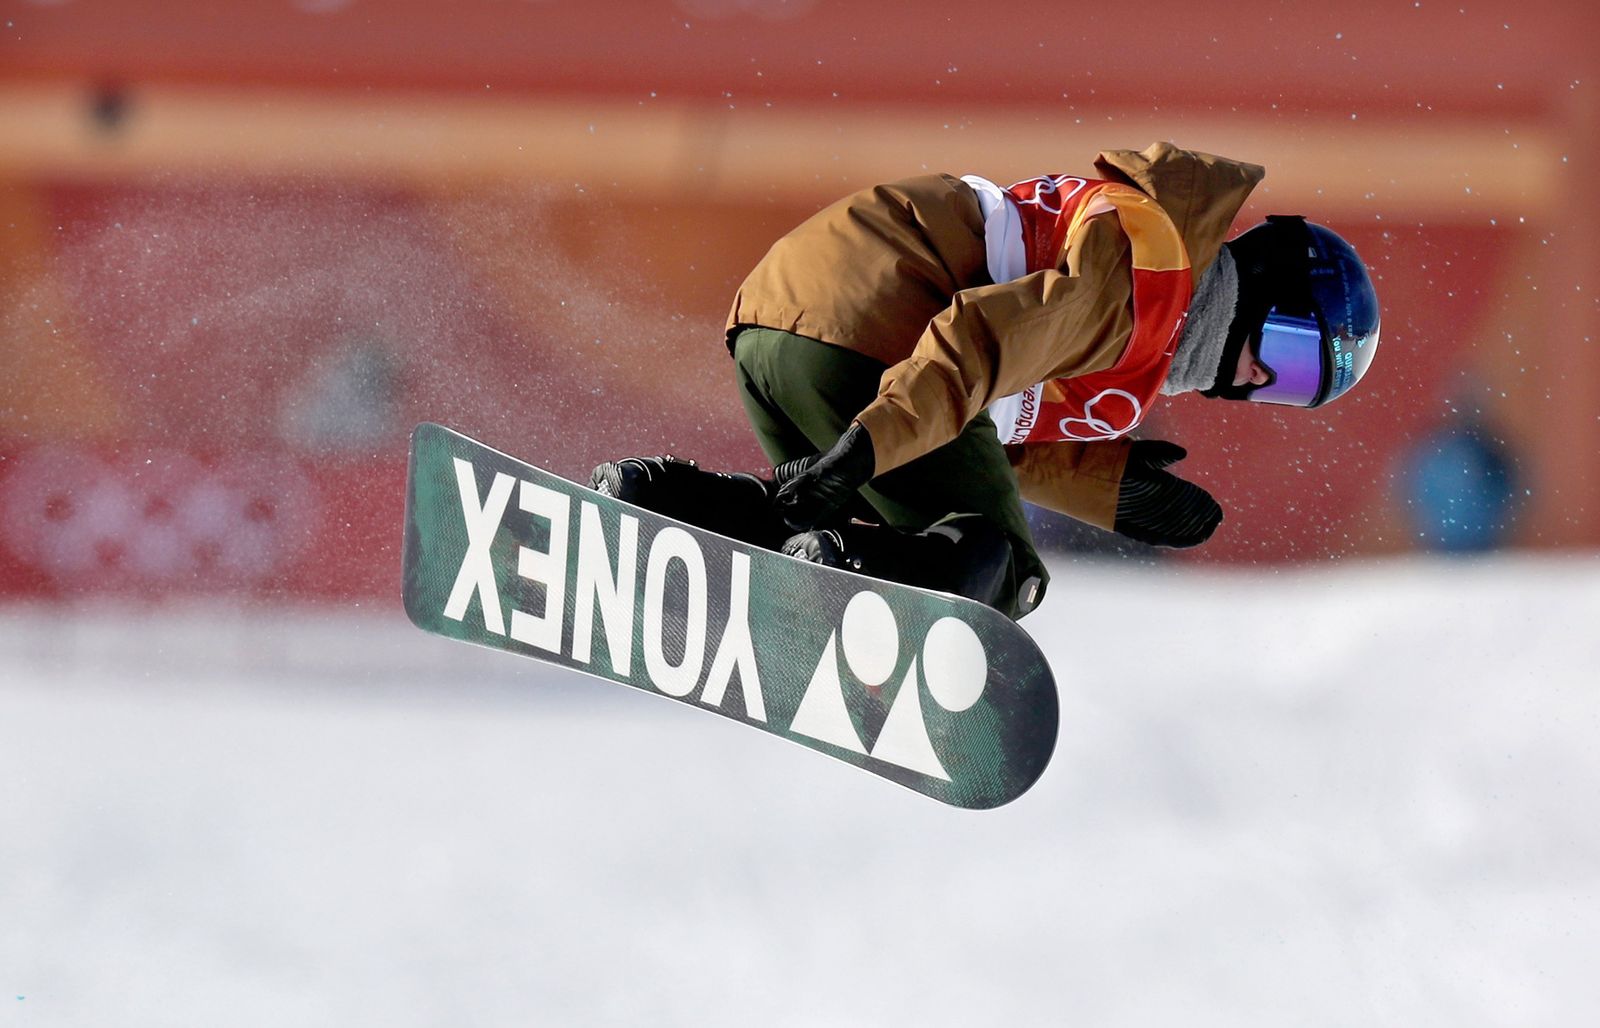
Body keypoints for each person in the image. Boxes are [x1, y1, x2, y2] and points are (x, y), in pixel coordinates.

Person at [590, 142, 1380, 619]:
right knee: (999, 569)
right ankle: (844, 569)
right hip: (875, 323)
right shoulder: (1147, 282)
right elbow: (978, 342)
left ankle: (663, 503)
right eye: (1288, 350)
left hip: (776, 330)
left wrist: (1101, 484)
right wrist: (868, 449)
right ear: (1257, 289)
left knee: (891, 518)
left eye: (1293, 387)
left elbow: (993, 424)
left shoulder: (1142, 299)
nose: (1256, 379)